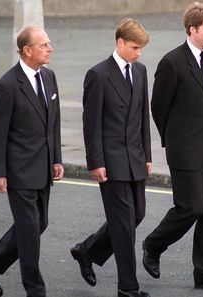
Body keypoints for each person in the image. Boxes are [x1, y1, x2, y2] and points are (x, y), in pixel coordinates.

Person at [142, 2, 203, 292]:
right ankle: (153, 245)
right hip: (185, 150)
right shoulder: (172, 62)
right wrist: (174, 140)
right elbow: (158, 107)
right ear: (192, 29)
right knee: (191, 207)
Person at [0, 26, 64, 297]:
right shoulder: (7, 85)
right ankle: (35, 290)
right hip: (19, 171)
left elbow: (54, 122)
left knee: (40, 224)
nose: (51, 49)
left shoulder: (48, 77)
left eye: (49, 44)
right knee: (28, 232)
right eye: (44, 45)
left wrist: (57, 158)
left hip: (43, 167)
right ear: (27, 50)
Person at [70, 18, 152, 297]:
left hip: (136, 157)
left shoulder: (140, 71)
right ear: (119, 42)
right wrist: (96, 162)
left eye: (141, 48)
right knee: (123, 225)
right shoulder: (98, 74)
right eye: (134, 47)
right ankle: (128, 287)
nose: (138, 53)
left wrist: (148, 155)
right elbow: (90, 124)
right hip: (111, 160)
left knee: (137, 215)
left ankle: (87, 250)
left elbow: (143, 116)